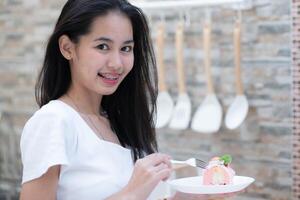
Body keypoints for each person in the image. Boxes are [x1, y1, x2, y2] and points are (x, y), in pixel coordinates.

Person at [19, 0, 241, 199]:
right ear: (67, 48)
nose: (117, 63)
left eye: (126, 48)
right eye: (102, 46)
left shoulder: (119, 121)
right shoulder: (53, 122)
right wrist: (132, 192)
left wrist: (195, 196)